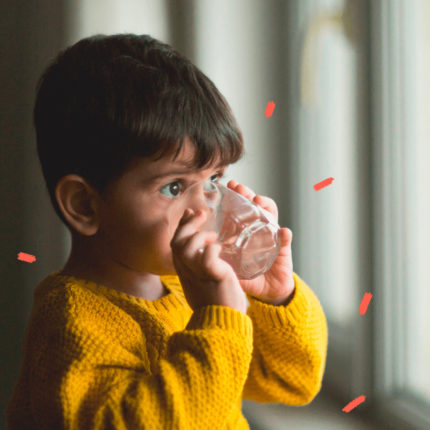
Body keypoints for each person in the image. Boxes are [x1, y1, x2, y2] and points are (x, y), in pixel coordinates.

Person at [7, 33, 328, 429]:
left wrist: (276, 298)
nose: (203, 207)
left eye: (214, 180)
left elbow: (292, 381)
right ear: (84, 205)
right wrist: (217, 319)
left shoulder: (185, 286)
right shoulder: (70, 326)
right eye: (174, 187)